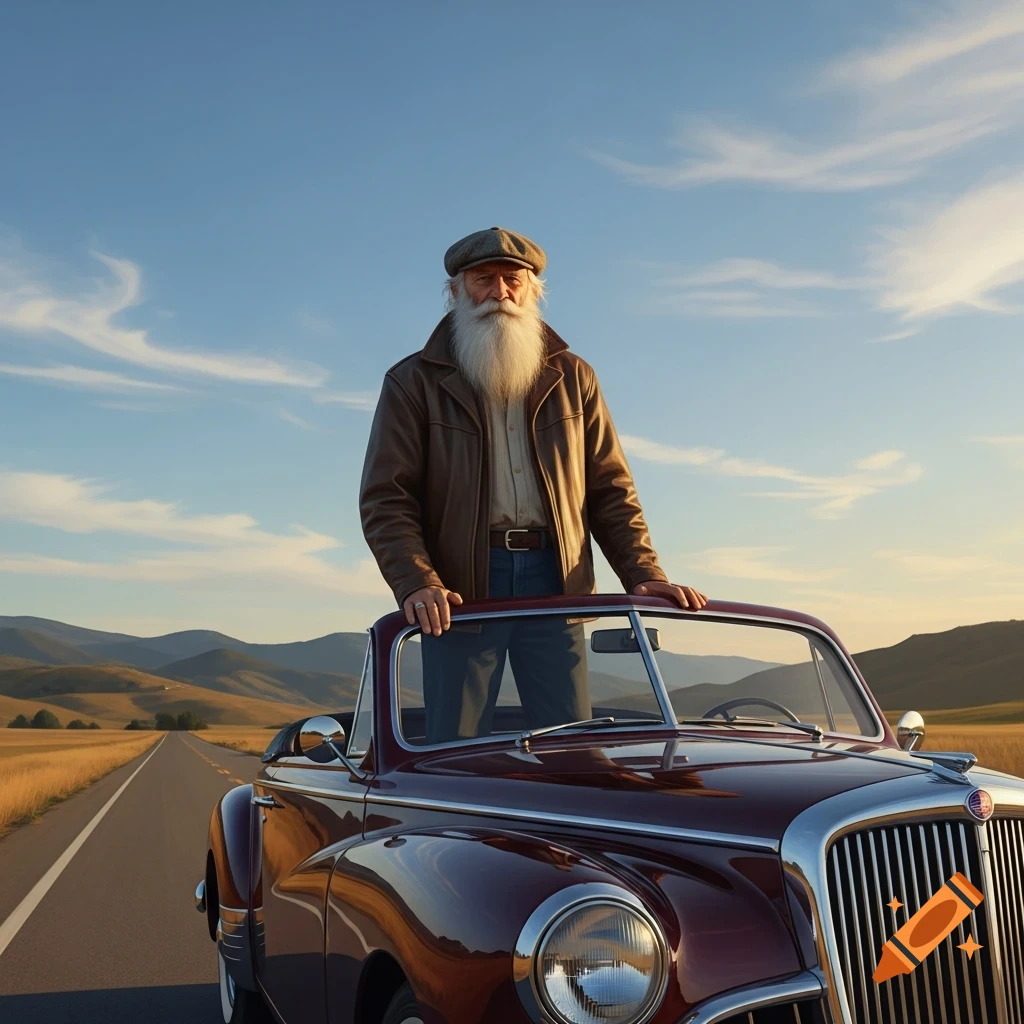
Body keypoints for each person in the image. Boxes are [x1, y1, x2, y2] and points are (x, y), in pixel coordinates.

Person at [360, 226, 707, 743]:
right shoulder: (413, 382)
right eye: (484, 279)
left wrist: (643, 571)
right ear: (456, 291)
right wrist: (416, 581)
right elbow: (388, 497)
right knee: (455, 750)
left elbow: (610, 487)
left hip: (558, 581)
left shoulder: (574, 377)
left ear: (532, 291)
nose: (500, 292)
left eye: (512, 279)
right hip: (458, 591)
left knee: (571, 745)